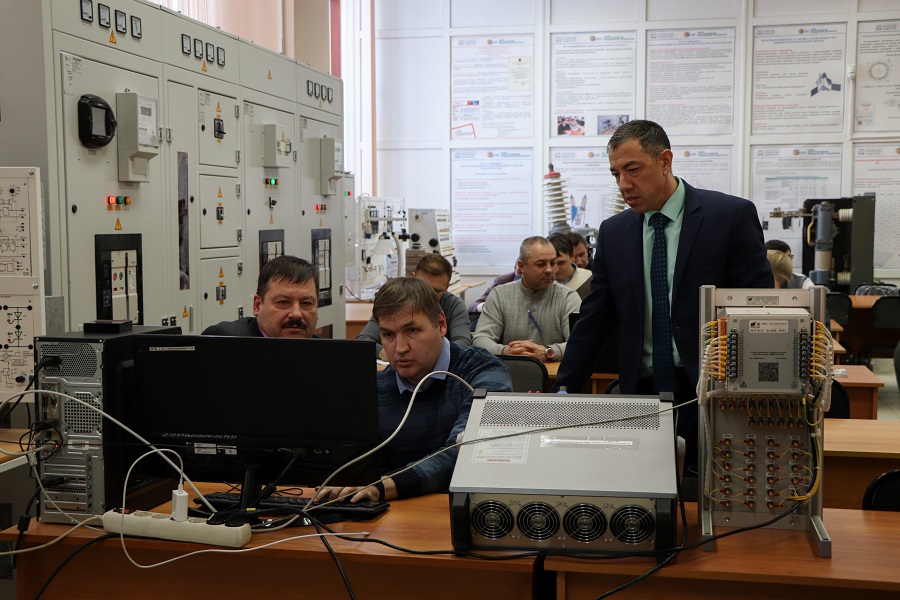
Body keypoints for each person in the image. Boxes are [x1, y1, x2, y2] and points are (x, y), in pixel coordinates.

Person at [554, 120, 772, 466]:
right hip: (642, 394)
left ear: (665, 161)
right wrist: (563, 392)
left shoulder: (728, 217)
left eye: (633, 170)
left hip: (713, 390)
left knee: (709, 485)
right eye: (616, 174)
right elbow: (595, 318)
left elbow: (757, 309)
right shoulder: (614, 232)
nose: (624, 185)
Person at [318, 277, 512, 502]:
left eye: (411, 330)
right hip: (395, 512)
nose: (400, 348)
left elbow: (466, 451)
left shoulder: (484, 372)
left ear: (441, 324)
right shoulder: (377, 388)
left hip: (459, 510)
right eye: (388, 335)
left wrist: (384, 486)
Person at [473, 236, 581, 362]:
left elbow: (580, 343)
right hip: (510, 369)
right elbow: (480, 339)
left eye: (552, 263)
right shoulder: (499, 295)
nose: (549, 270)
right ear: (521, 266)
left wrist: (549, 352)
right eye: (541, 264)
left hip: (554, 372)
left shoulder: (568, 297)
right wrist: (505, 351)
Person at [357, 253, 471, 357]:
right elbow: (363, 341)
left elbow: (463, 342)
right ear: (413, 277)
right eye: (423, 286)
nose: (428, 294)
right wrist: (383, 351)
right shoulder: (391, 303)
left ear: (447, 286)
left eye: (437, 290)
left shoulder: (455, 306)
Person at [202, 255, 319, 337]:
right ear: (257, 305)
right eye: (283, 302)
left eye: (306, 303)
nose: (296, 314)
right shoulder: (225, 340)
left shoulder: (326, 354)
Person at [548, 232, 592, 299]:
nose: (556, 269)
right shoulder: (542, 284)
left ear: (572, 256)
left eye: (561, 263)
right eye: (551, 263)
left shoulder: (590, 280)